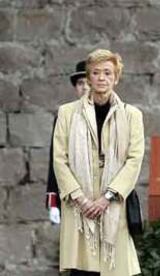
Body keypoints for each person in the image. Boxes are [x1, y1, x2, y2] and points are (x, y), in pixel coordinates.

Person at [53, 49, 144, 276]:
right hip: (79, 206)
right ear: (88, 77)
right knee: (82, 269)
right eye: (95, 73)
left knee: (116, 270)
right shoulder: (67, 113)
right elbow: (59, 159)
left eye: (107, 73)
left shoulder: (132, 115)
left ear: (116, 77)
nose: (101, 78)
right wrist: (81, 199)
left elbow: (134, 160)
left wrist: (107, 198)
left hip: (114, 204)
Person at [45, 60, 89, 224]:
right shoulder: (65, 116)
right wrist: (53, 201)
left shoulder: (111, 113)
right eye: (80, 83)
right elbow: (56, 160)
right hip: (72, 193)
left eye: (88, 82)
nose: (85, 87)